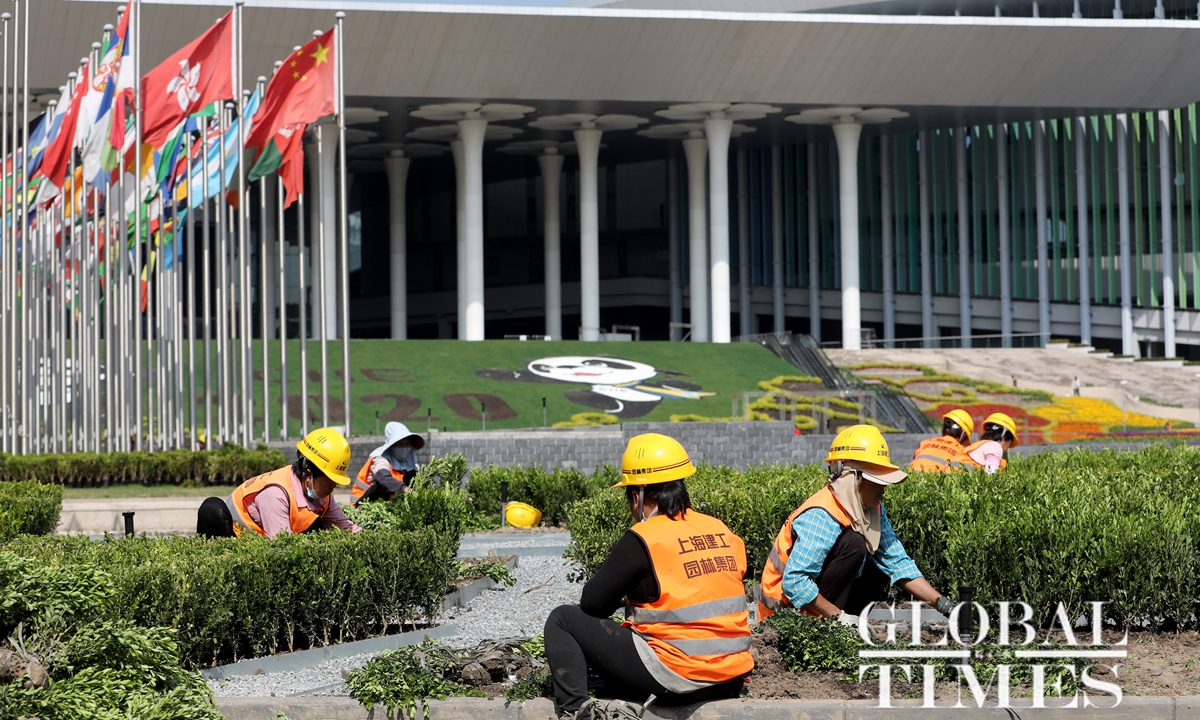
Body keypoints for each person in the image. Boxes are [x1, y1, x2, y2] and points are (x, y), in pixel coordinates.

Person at [544, 433, 752, 719]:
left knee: (562, 619)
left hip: (678, 680)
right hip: (730, 677)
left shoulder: (645, 537)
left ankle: (573, 712)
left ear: (637, 495)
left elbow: (593, 603)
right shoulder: (719, 529)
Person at [758, 425, 953, 626]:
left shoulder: (871, 510)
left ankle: (847, 624)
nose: (883, 490)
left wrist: (942, 604)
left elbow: (897, 562)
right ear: (852, 477)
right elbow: (795, 583)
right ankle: (833, 626)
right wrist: (841, 618)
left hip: (819, 607)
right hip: (784, 617)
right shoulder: (822, 514)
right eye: (877, 482)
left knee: (879, 552)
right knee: (854, 543)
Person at [196, 427, 362, 538]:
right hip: (236, 535)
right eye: (329, 481)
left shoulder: (323, 496)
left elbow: (346, 528)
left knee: (319, 523)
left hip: (264, 539)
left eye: (336, 482)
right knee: (212, 507)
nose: (333, 487)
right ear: (308, 475)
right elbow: (281, 545)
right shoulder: (276, 493)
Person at [351, 422, 426, 505]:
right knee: (382, 483)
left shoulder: (410, 463)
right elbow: (384, 478)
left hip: (390, 503)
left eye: (407, 444)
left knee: (414, 475)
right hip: (363, 502)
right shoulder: (380, 459)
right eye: (400, 444)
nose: (404, 447)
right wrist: (404, 489)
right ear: (392, 445)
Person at [908, 408, 973, 473]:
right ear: (964, 434)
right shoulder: (961, 452)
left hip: (909, 476)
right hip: (931, 478)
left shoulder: (924, 443)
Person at [949, 412, 1017, 473]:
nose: (1007, 449)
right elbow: (992, 473)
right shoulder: (995, 446)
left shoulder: (977, 445)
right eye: (1009, 444)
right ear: (1004, 437)